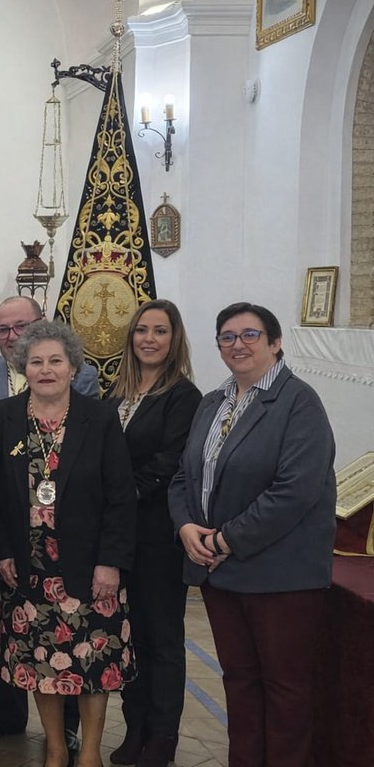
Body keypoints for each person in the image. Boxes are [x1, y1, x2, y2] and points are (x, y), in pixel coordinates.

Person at [168, 302, 336, 767]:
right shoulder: (213, 402)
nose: (237, 345)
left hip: (279, 575)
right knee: (239, 681)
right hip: (221, 574)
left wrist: (224, 540)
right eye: (227, 336)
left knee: (285, 689)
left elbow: (294, 492)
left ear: (275, 343)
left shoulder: (298, 402)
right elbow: (184, 476)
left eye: (249, 335)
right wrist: (186, 527)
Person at [0, 320, 136, 767]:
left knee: (94, 665)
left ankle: (89, 752)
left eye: (56, 361)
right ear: (23, 367)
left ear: (73, 367)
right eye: (36, 362)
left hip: (89, 569)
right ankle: (54, 748)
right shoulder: (2, 417)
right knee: (42, 664)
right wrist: (2, 551)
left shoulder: (101, 417)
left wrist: (110, 562)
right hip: (28, 569)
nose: (45, 370)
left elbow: (121, 497)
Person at [0, 295, 96, 749]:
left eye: (23, 327)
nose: (13, 338)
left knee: (78, 644)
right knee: (22, 641)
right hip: (16, 543)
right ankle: (12, 715)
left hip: (77, 545)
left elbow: (106, 482)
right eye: (3, 330)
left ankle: (73, 732)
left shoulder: (91, 397)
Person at [105, 300, 201, 767]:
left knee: (162, 637)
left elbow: (168, 463)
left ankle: (162, 736)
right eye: (141, 330)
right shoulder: (115, 392)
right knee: (129, 635)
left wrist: (116, 500)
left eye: (159, 331)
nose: (149, 339)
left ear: (174, 338)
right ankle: (135, 726)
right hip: (119, 536)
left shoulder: (184, 396)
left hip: (158, 536)